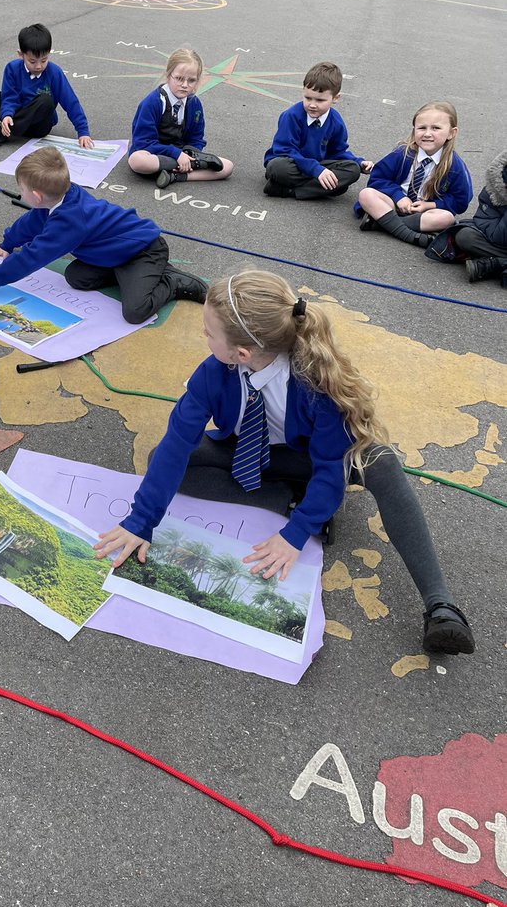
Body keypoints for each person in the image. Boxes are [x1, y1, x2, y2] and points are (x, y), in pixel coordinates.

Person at [95, 269, 474, 656]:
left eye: (208, 332)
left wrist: (295, 535)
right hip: (249, 452)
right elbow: (177, 442)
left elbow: (330, 467)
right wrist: (140, 522)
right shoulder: (213, 373)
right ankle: (286, 500)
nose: (203, 338)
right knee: (163, 458)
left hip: (311, 460)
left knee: (383, 462)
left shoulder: (315, 384)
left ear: (242, 352)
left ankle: (440, 605)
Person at [0, 146, 206, 322]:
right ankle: (129, 276)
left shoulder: (69, 221)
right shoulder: (60, 196)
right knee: (76, 277)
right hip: (113, 253)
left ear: (37, 196)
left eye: (22, 189)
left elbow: (31, 258)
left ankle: (172, 282)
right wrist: (6, 244)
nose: (21, 193)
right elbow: (31, 222)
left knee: (136, 312)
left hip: (143, 250)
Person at [354, 102, 471, 248]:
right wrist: (399, 197)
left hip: (422, 213)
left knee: (446, 218)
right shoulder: (402, 154)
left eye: (436, 128)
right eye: (422, 128)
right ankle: (411, 236)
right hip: (391, 205)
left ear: (451, 133)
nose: (427, 134)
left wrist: (430, 205)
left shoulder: (455, 166)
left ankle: (379, 223)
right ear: (414, 130)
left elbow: (460, 201)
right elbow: (377, 179)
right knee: (366, 194)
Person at [0, 23, 92, 149]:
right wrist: (7, 115)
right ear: (21, 55)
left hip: (39, 124)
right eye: (32, 61)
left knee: (45, 100)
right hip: (16, 115)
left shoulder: (54, 72)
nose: (39, 66)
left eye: (44, 60)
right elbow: (9, 97)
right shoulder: (12, 68)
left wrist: (83, 131)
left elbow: (71, 102)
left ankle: (1, 133)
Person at [263, 61, 372, 199]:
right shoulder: (291, 116)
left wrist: (359, 162)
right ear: (303, 90)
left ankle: (286, 190)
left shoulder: (336, 121)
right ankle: (319, 188)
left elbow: (337, 152)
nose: (312, 105)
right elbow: (284, 150)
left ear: (335, 98)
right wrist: (316, 170)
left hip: (317, 165)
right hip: (291, 163)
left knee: (352, 170)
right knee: (277, 167)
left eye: (320, 100)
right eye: (308, 98)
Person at [128, 48, 232, 188]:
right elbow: (143, 142)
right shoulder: (152, 102)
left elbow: (196, 138)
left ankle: (176, 175)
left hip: (183, 153)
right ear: (168, 75)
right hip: (153, 152)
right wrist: (176, 155)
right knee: (137, 161)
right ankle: (174, 167)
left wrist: (190, 155)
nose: (185, 85)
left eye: (191, 81)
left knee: (226, 167)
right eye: (179, 78)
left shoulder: (194, 103)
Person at [454, 147, 507, 284]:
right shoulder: (496, 187)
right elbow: (497, 235)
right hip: (501, 242)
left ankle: (497, 263)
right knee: (465, 236)